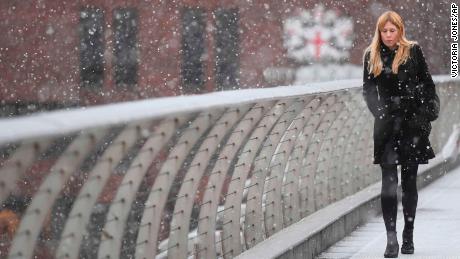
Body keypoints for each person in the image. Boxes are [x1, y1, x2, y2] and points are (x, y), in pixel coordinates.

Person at [362, 10, 440, 258]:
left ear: (400, 30)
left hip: (411, 126)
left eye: (392, 30)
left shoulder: (413, 51)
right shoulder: (371, 54)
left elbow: (428, 85)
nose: (387, 35)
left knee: (408, 184)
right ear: (379, 31)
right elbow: (368, 91)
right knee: (388, 184)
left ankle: (408, 234)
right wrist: (382, 114)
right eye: (384, 31)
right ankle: (391, 239)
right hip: (386, 128)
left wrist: (422, 115)